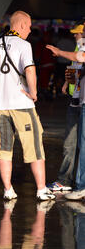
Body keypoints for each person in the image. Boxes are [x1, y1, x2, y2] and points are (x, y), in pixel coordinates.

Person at [0, 10, 55, 202]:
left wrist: (1, 77)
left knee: (3, 150)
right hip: (21, 105)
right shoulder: (24, 45)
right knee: (34, 147)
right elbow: (30, 70)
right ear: (21, 25)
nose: (30, 30)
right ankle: (41, 189)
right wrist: (34, 93)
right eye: (29, 26)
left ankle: (8, 190)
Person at [46, 37, 85, 201]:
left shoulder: (80, 51)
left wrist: (59, 52)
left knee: (83, 146)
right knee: (73, 144)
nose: (79, 35)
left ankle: (81, 186)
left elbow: (80, 57)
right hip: (77, 101)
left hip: (82, 103)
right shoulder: (79, 46)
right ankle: (71, 182)